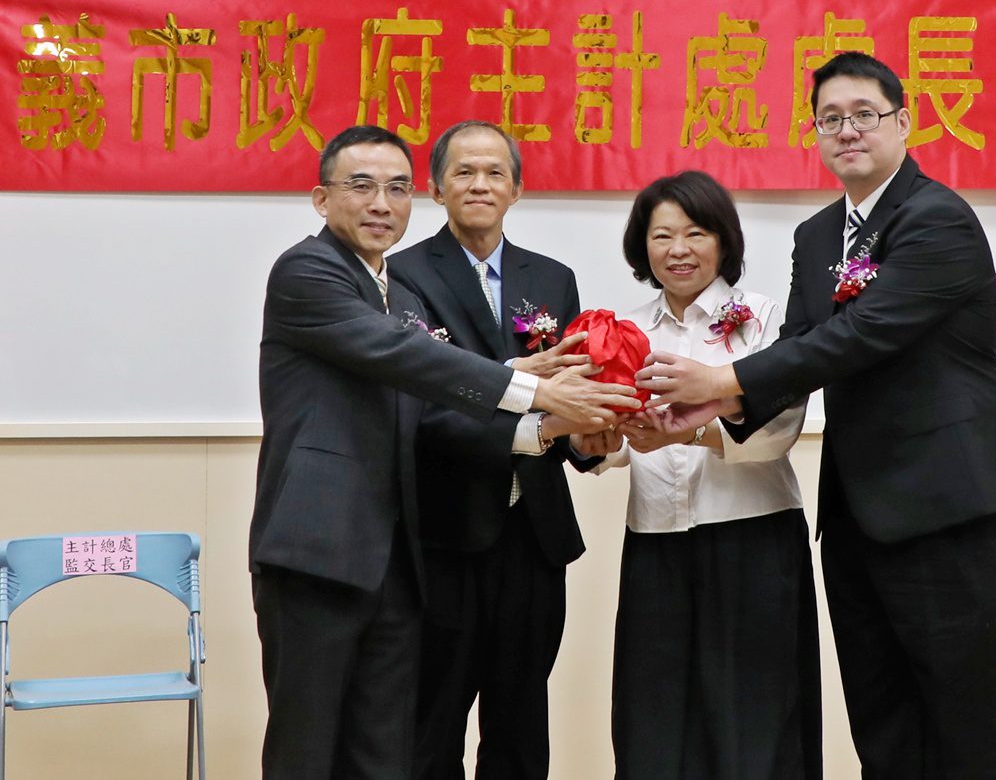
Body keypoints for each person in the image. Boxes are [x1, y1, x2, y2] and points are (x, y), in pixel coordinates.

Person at [638, 53, 996, 780]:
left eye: (863, 114)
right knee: (880, 714)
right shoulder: (817, 235)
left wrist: (721, 376)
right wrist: (713, 407)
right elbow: (798, 345)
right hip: (856, 513)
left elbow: (860, 335)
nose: (846, 130)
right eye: (829, 119)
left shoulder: (938, 218)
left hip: (949, 507)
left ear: (903, 122)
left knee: (962, 713)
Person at [249, 124, 640, 780]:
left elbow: (420, 390)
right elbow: (405, 358)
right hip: (322, 547)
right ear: (321, 198)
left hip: (398, 556)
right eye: (362, 185)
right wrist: (534, 389)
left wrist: (545, 403)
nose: (381, 203)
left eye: (395, 188)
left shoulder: (397, 295)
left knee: (384, 750)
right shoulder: (307, 270)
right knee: (310, 745)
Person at [577, 170, 820, 780]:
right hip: (655, 543)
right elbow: (612, 443)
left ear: (723, 240)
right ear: (642, 247)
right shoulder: (625, 331)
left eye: (695, 233)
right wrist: (593, 440)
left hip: (753, 540)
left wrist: (692, 433)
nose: (678, 250)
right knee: (656, 717)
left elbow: (779, 429)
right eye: (661, 236)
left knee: (756, 718)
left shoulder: (762, 319)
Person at [387, 120, 592, 780]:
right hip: (444, 535)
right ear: (435, 187)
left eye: (495, 172)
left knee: (521, 724)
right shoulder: (401, 277)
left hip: (535, 534)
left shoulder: (552, 278)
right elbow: (419, 406)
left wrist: (589, 438)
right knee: (432, 724)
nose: (480, 184)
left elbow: (570, 388)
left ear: (517, 188)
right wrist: (526, 391)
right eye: (464, 172)